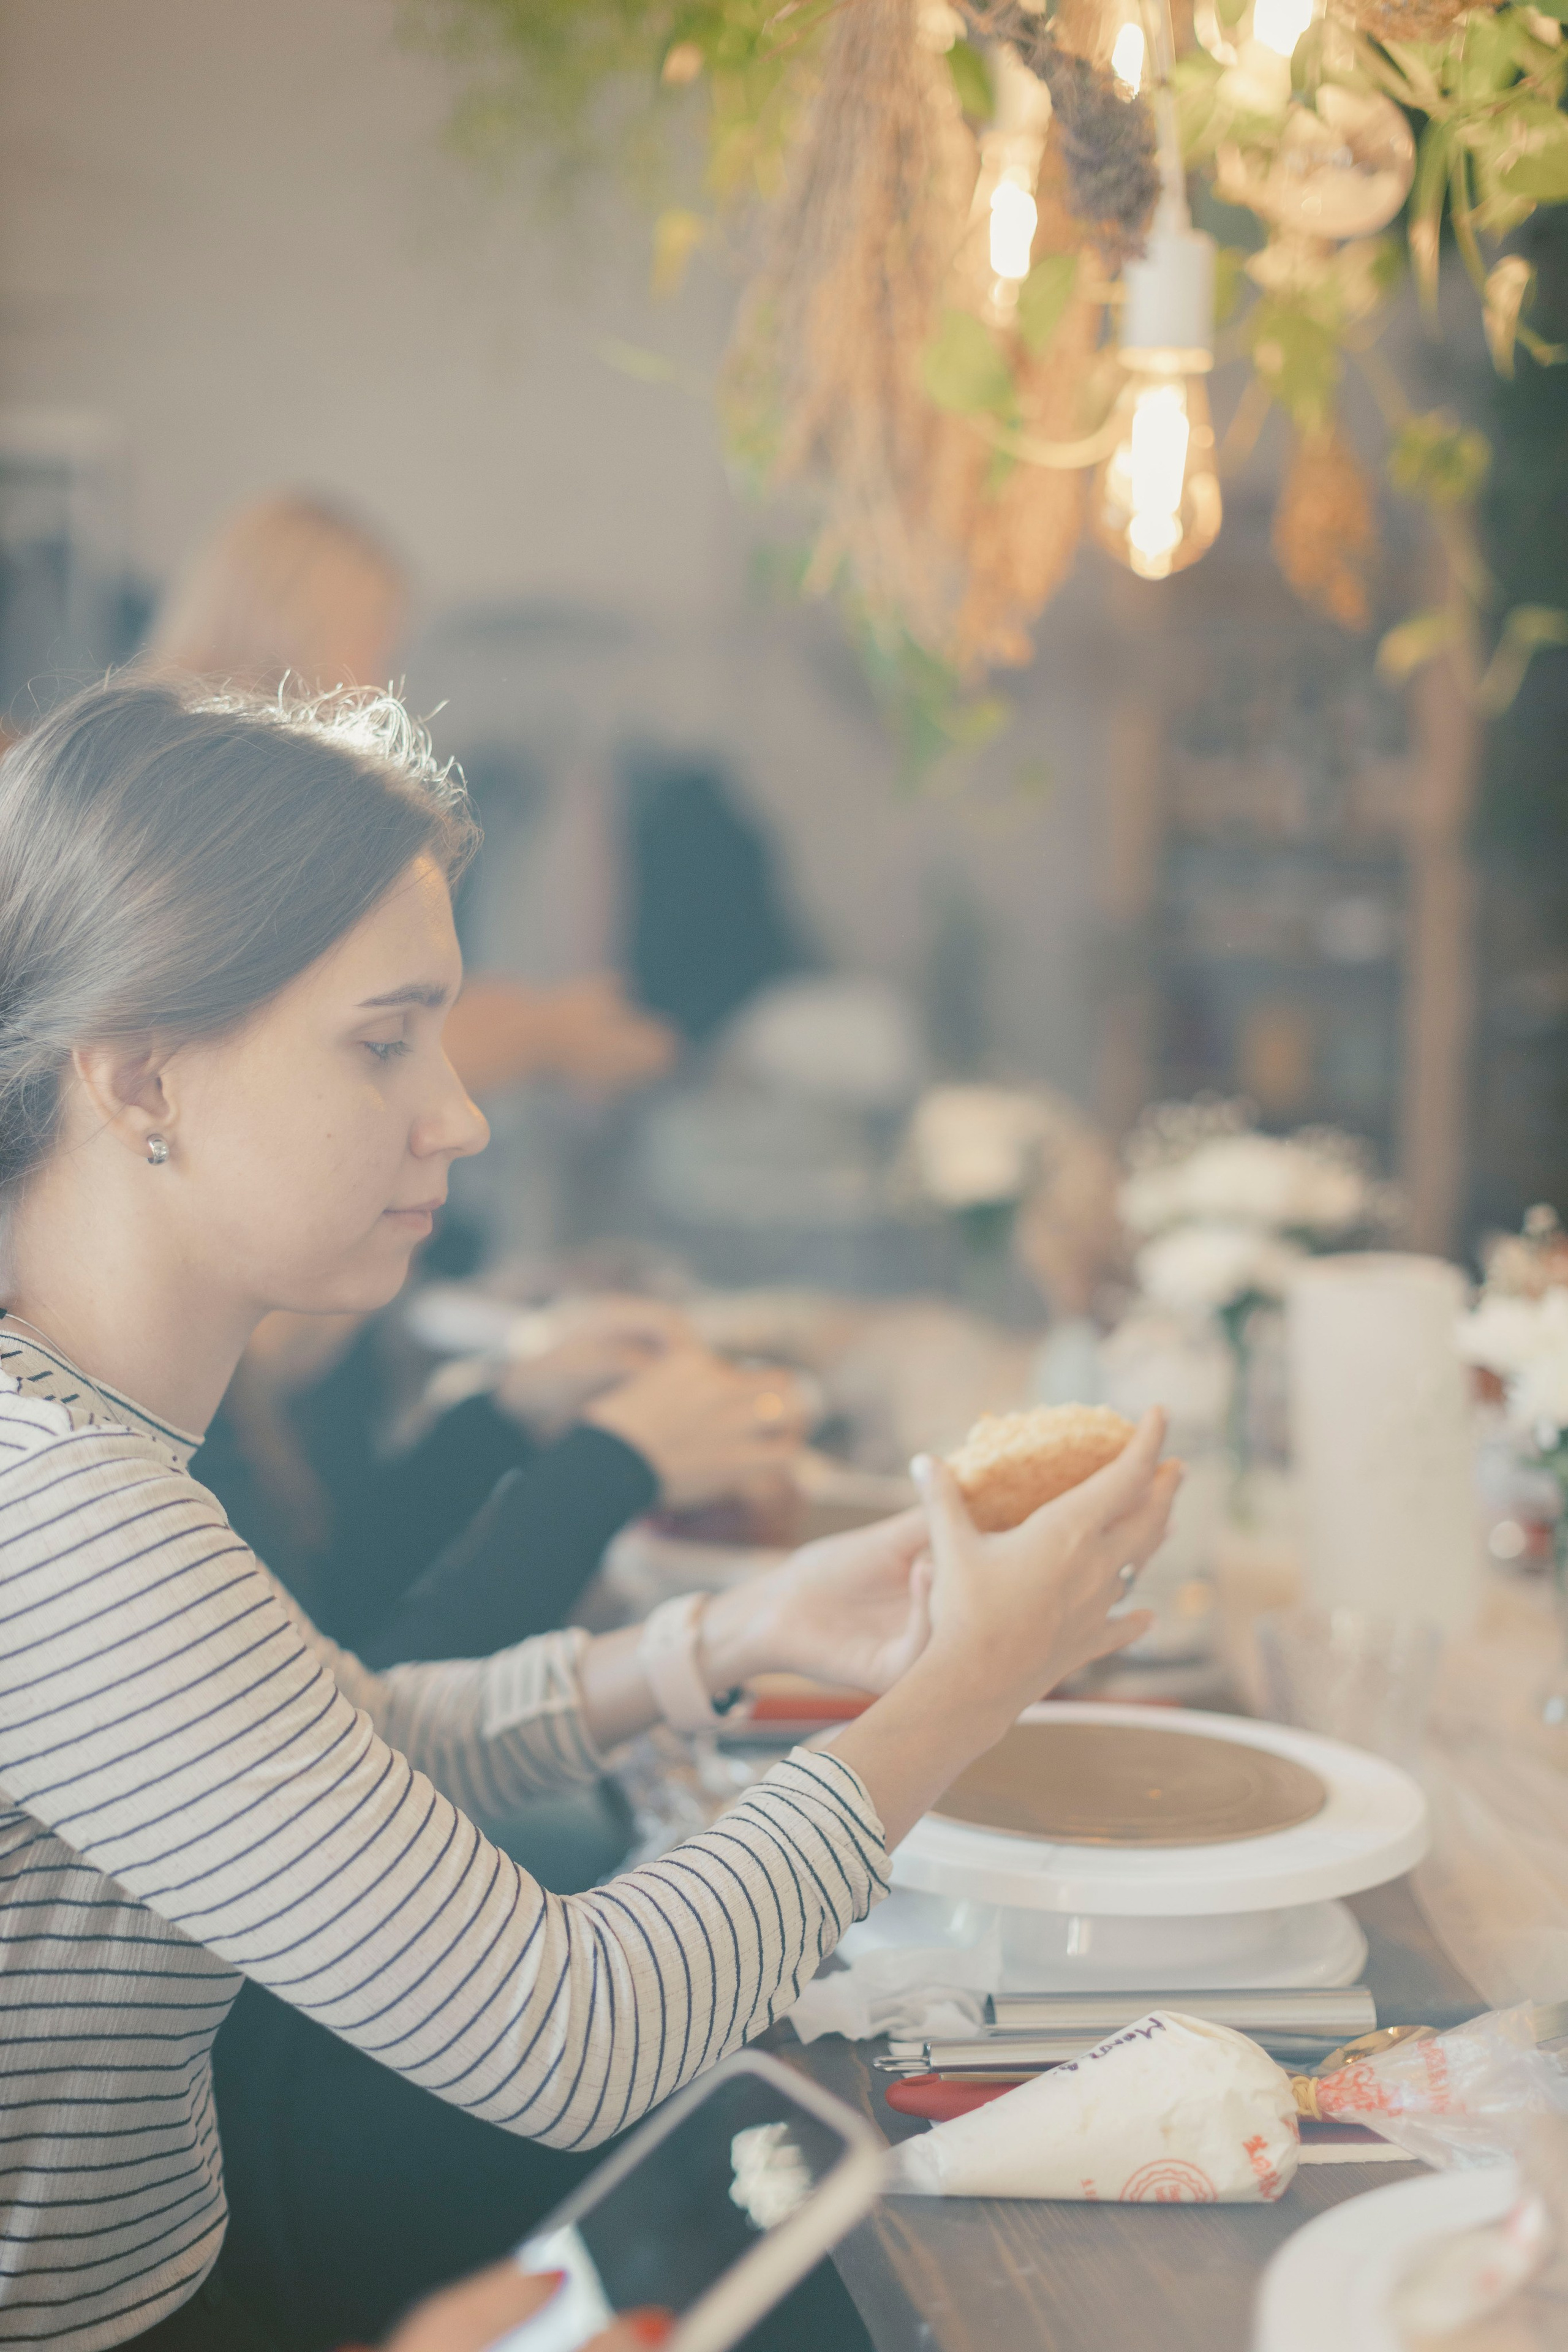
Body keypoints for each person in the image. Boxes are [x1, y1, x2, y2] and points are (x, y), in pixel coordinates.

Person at [0, 676, 1178, 2351]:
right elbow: (579, 2034)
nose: (461, 1114)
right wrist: (955, 1701)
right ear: (139, 1087)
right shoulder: (59, 1520)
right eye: (382, 1042)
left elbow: (360, 1733)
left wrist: (740, 1633)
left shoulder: (75, 1459)